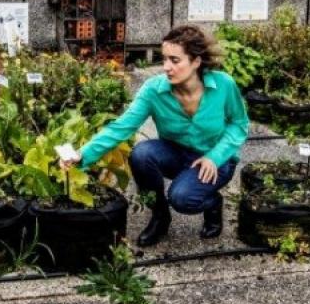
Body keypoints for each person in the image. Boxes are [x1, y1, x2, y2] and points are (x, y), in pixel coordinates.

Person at [60, 24, 249, 246]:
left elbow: (239, 124)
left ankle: (212, 202)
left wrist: (215, 157)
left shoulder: (224, 85)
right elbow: (121, 127)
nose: (166, 67)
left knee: (182, 199)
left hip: (216, 161)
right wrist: (82, 155)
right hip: (176, 153)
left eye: (175, 60)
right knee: (141, 154)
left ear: (196, 62)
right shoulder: (154, 89)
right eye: (165, 59)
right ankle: (160, 216)